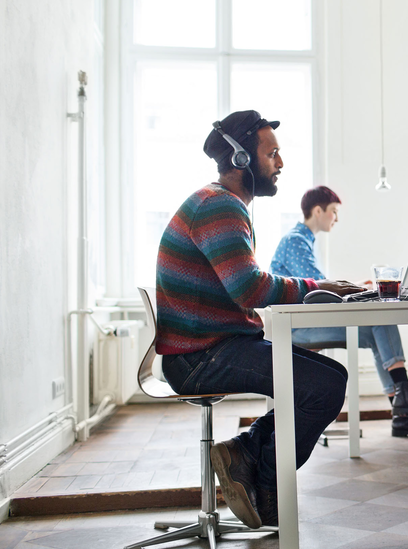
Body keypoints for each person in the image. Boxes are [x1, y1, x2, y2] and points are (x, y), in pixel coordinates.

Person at [156, 110, 365, 529]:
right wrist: (319, 288)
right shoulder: (218, 207)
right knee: (323, 387)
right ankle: (265, 488)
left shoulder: (222, 204)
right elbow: (250, 288)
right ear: (240, 160)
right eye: (272, 154)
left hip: (212, 347)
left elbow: (248, 285)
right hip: (200, 358)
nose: (280, 164)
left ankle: (247, 456)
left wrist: (317, 288)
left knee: (328, 380)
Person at [270, 186, 408, 438]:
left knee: (377, 330)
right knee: (380, 319)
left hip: (306, 321)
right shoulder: (296, 240)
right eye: (334, 211)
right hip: (297, 327)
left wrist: (357, 288)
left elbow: (319, 285)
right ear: (318, 210)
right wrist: (357, 289)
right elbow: (318, 287)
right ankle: (404, 398)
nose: (336, 218)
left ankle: (403, 414)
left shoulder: (305, 240)